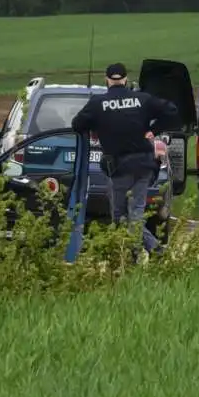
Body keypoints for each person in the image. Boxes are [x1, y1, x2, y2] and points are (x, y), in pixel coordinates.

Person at [71, 62, 178, 256]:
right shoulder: (142, 99)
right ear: (126, 79)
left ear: (107, 80)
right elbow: (171, 110)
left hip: (119, 168)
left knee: (120, 217)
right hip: (144, 165)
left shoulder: (98, 103)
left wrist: (97, 124)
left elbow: (77, 125)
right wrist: (153, 131)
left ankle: (139, 255)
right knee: (136, 213)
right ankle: (152, 251)